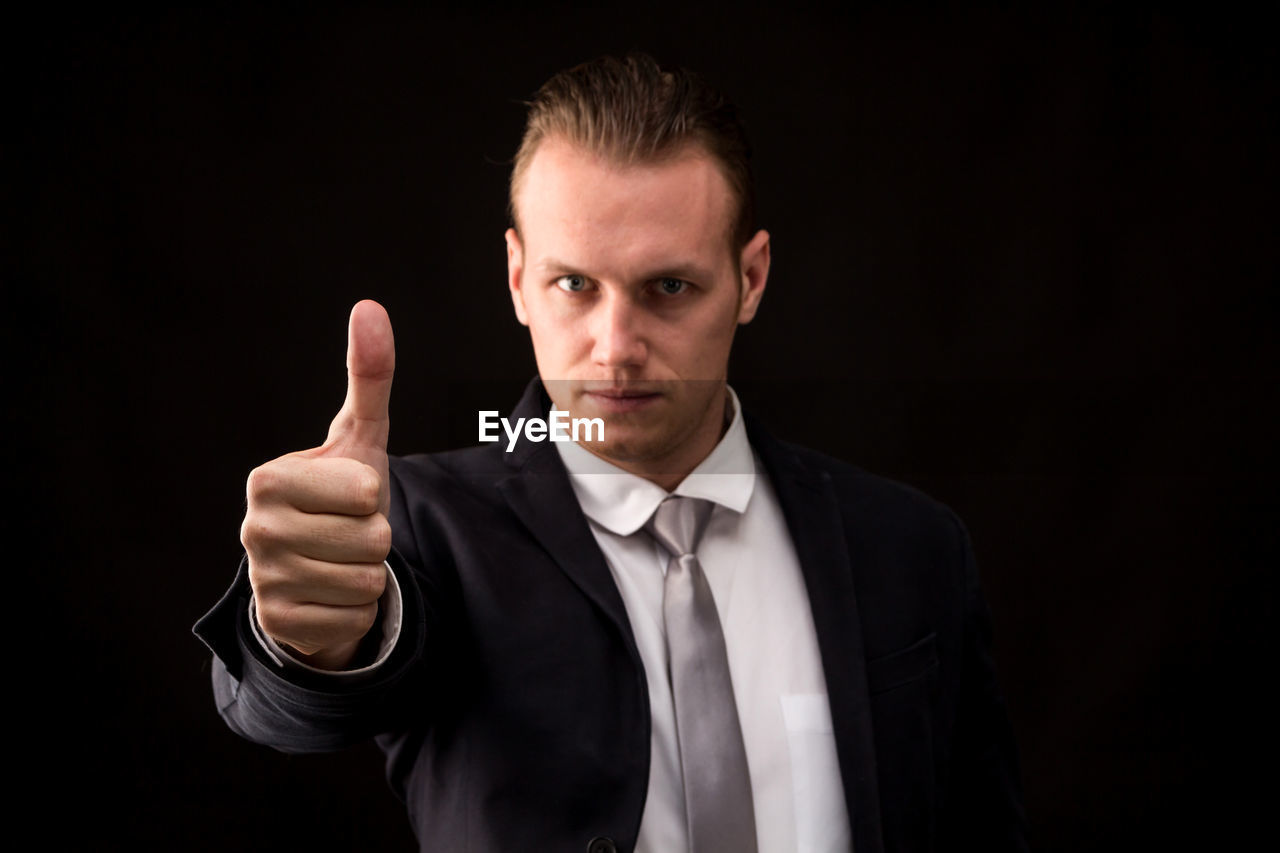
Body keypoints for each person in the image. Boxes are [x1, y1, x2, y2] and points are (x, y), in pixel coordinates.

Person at [195, 53, 1028, 852]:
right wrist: (299, 634)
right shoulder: (418, 529)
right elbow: (283, 707)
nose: (616, 347)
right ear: (518, 279)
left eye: (669, 286)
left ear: (753, 278)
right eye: (575, 285)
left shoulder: (910, 545)